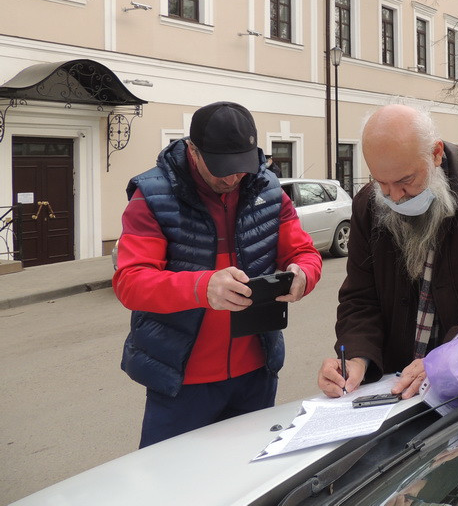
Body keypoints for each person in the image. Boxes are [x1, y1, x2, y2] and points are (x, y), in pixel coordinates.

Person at [113, 101, 323, 447]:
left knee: (253, 473)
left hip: (256, 375)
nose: (231, 178)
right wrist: (202, 286)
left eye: (240, 167)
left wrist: (304, 274)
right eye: (220, 168)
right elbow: (131, 281)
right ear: (193, 150)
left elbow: (304, 253)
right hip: (182, 383)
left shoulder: (267, 189)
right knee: (172, 478)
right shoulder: (151, 195)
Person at [317, 104, 458, 399]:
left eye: (405, 181)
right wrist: (357, 357)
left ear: (435, 154)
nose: (394, 197)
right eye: (381, 182)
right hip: (400, 385)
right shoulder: (368, 204)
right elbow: (360, 296)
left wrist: (449, 357)